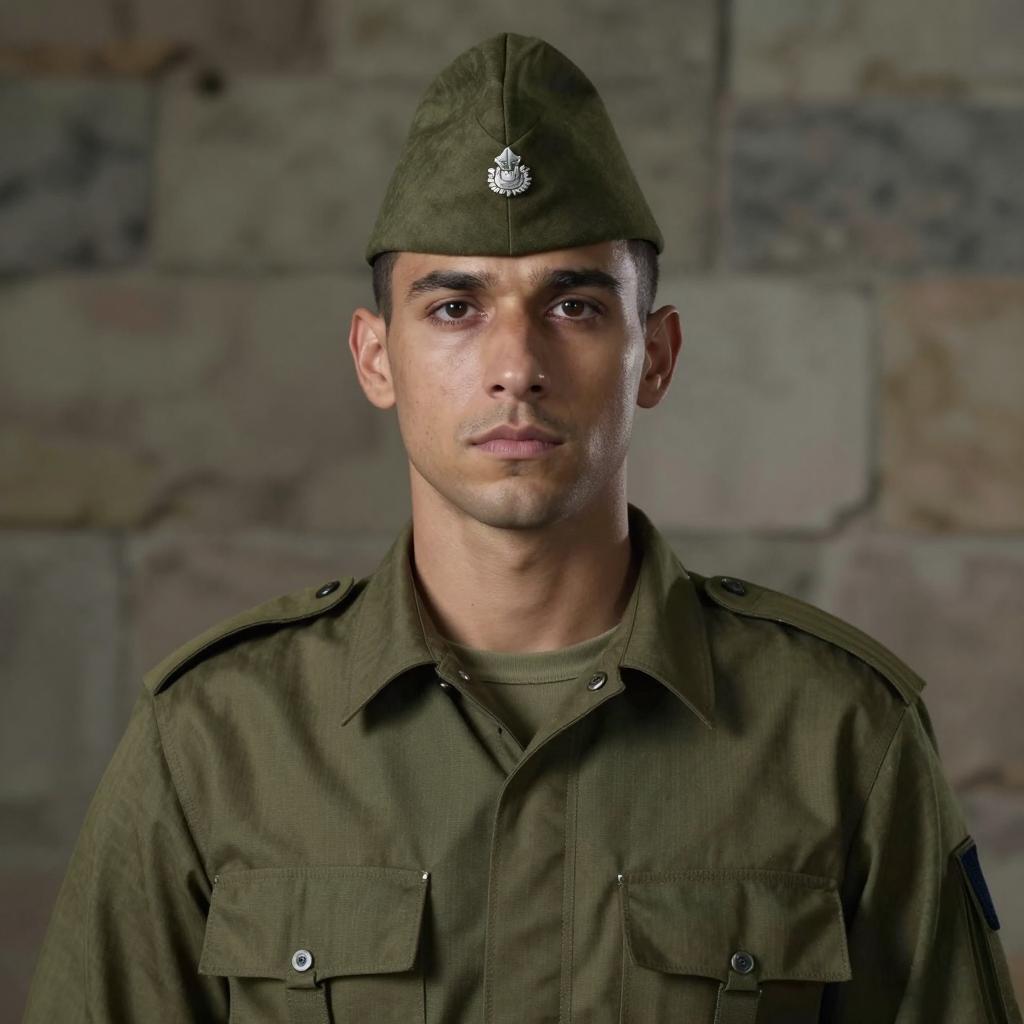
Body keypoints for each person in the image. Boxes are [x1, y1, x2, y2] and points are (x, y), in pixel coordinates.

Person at [23, 30, 1021, 1024]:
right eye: (455, 308)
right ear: (376, 358)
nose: (516, 366)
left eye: (574, 305)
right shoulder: (216, 737)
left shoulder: (837, 732)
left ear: (654, 356)